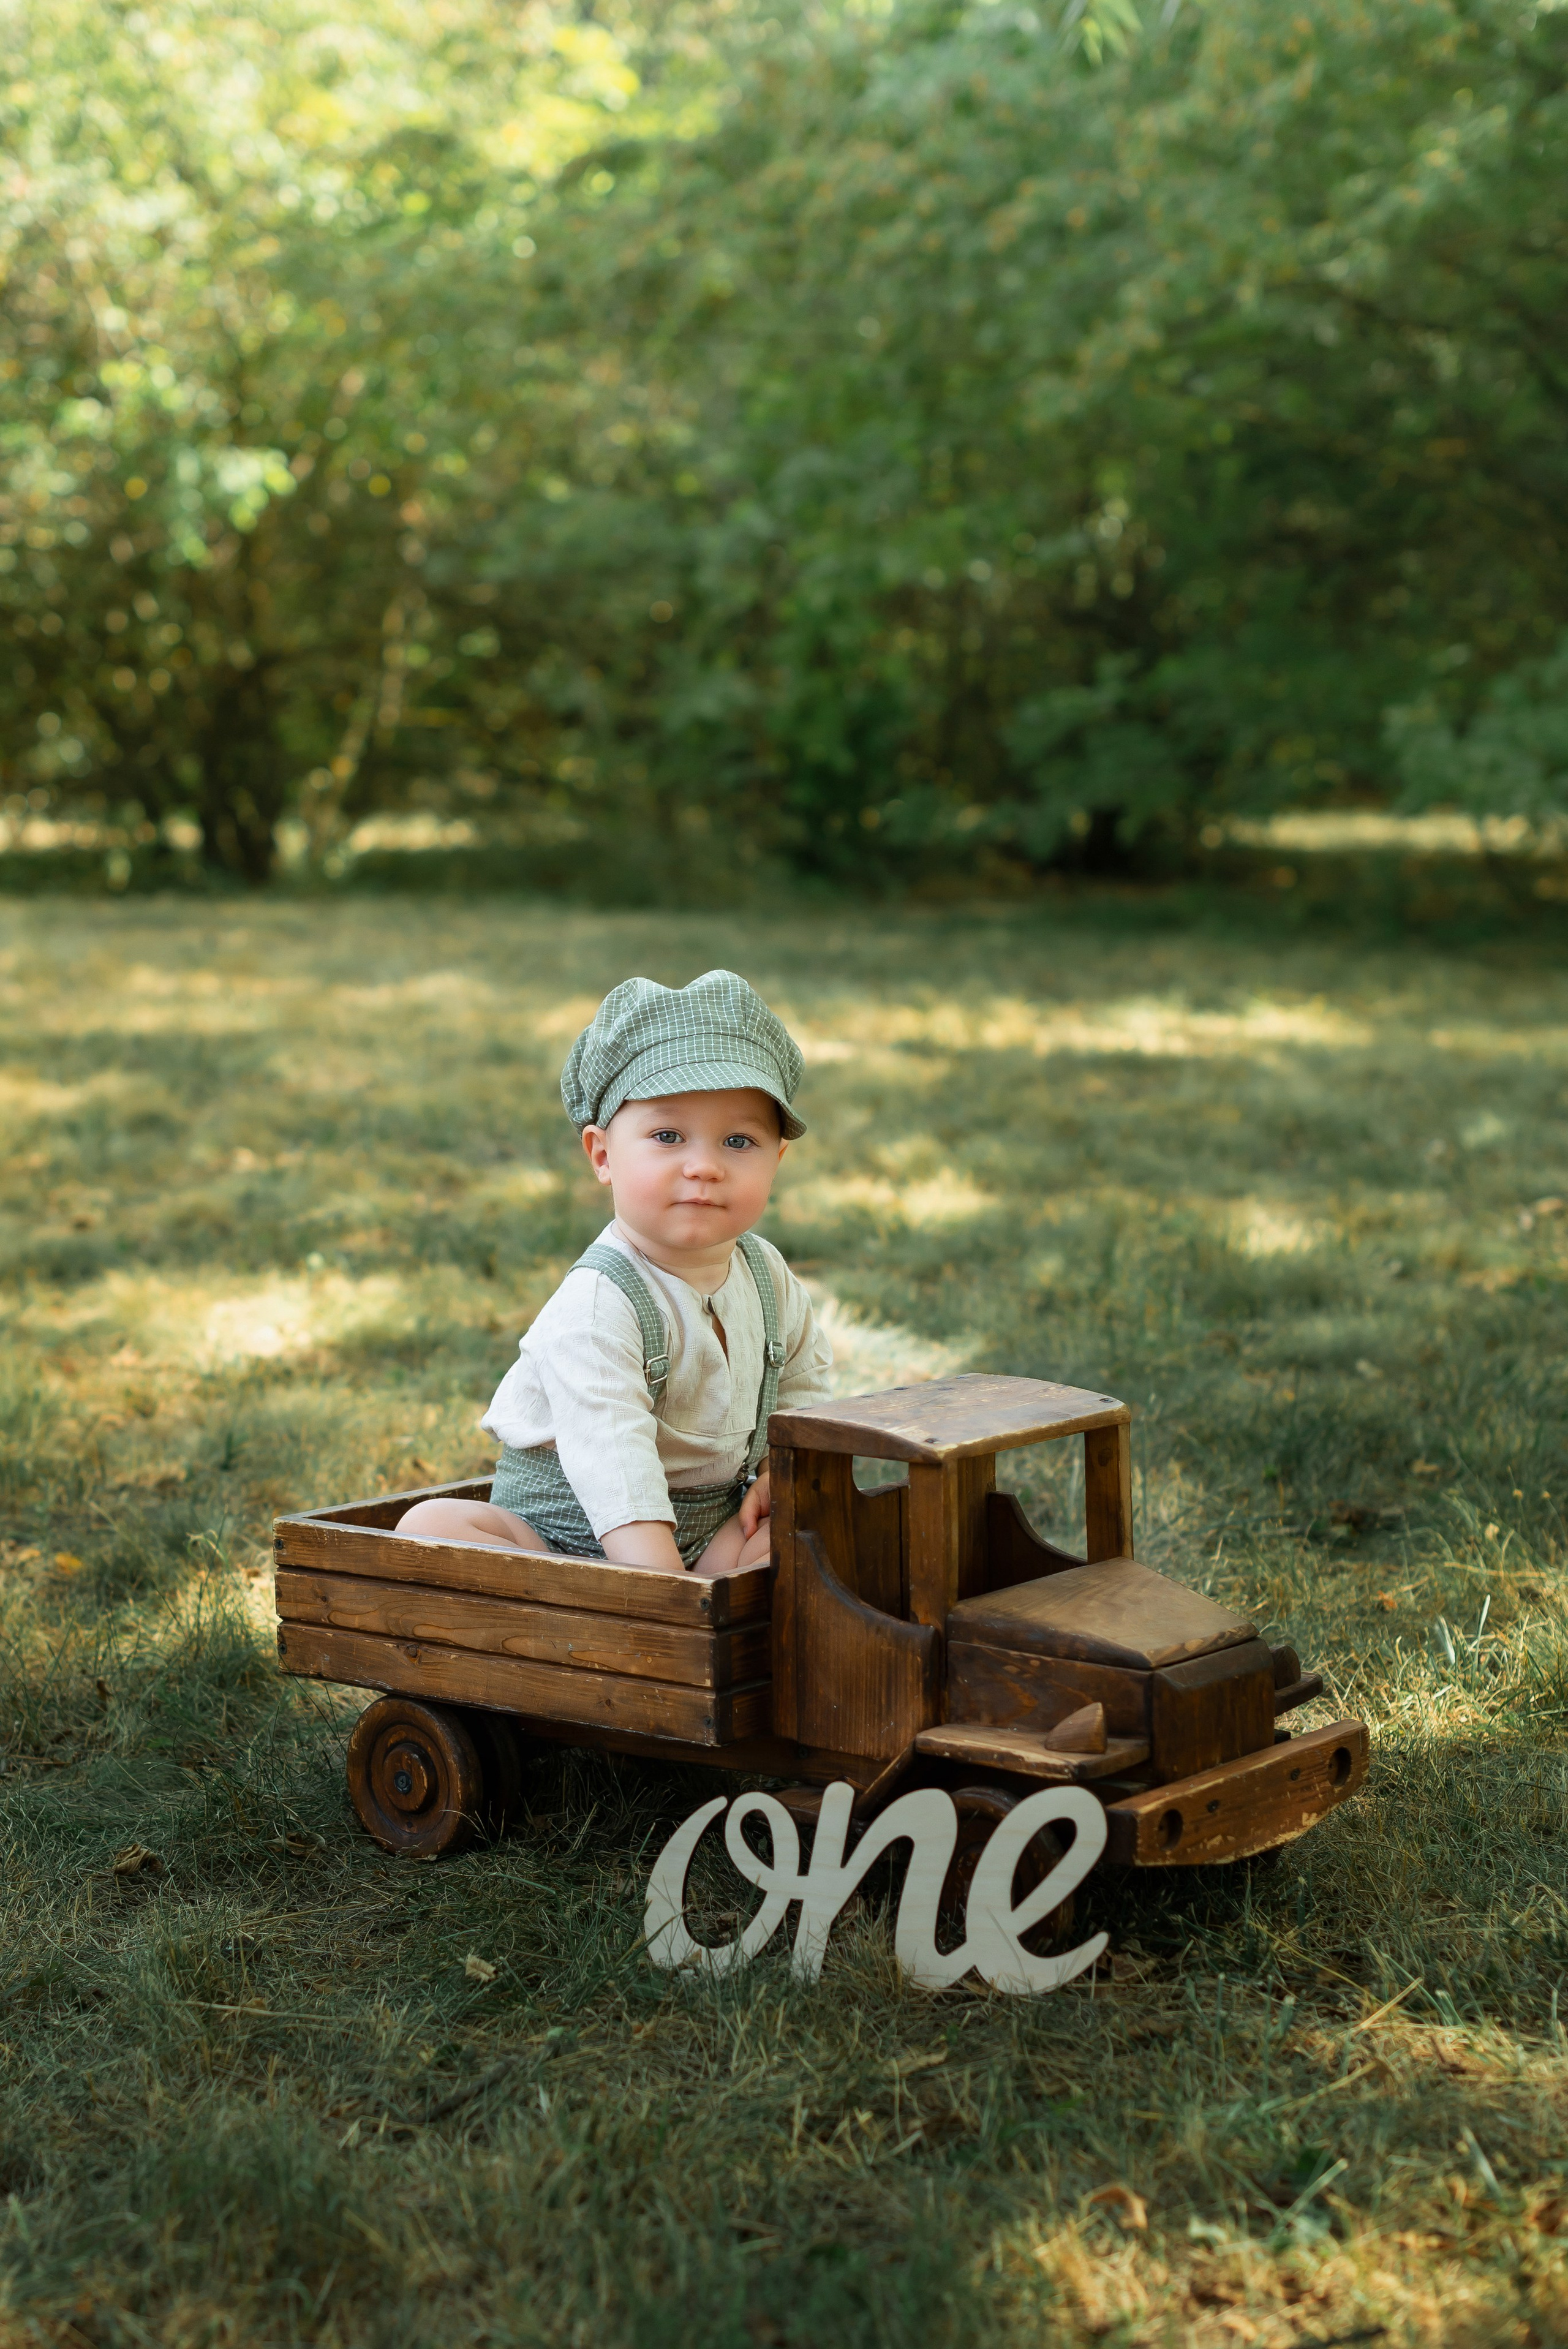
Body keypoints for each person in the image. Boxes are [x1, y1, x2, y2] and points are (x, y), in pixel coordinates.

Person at [397, 970, 832, 1578]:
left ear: (777, 1159)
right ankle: (613, 1615)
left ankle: (717, 1607)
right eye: (667, 1135)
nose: (704, 1165)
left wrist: (781, 1473)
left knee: (810, 1532)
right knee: (431, 1529)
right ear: (602, 1155)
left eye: (738, 1140)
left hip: (711, 1527)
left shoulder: (767, 1275)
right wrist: (666, 1603)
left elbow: (803, 1390)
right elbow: (612, 1462)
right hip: (557, 1535)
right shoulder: (599, 1303)